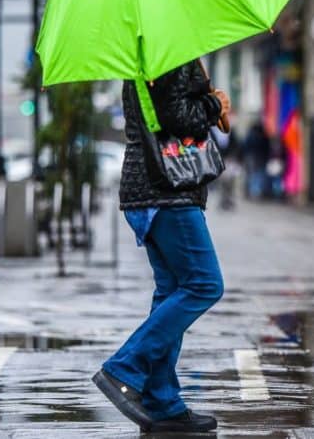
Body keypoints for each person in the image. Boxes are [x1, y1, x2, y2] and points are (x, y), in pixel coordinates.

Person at [92, 59, 230, 434]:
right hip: (167, 190)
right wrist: (214, 106)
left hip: (147, 189)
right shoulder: (169, 53)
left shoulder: (141, 56)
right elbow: (178, 117)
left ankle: (162, 402)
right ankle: (124, 367)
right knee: (204, 284)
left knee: (171, 291)